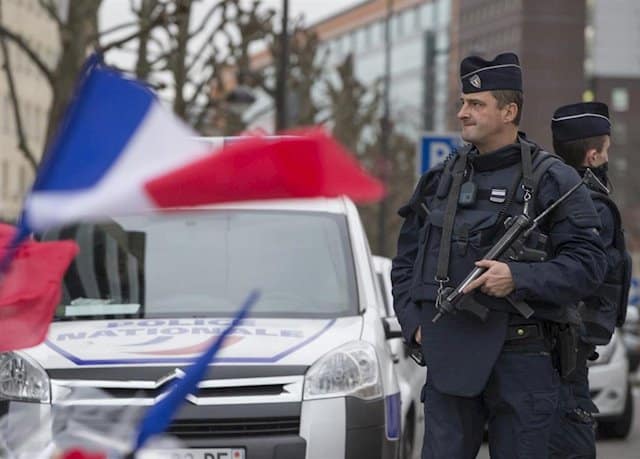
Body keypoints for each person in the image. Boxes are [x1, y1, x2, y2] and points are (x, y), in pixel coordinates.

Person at [391, 52, 608, 458]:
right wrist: (414, 324)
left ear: (509, 111)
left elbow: (590, 264)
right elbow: (405, 262)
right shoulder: (439, 180)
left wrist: (519, 277)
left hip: (524, 359)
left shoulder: (553, 180)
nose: (462, 113)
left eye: (476, 104)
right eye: (462, 103)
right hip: (450, 355)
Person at [548, 102, 632, 458]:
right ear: (594, 155)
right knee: (573, 441)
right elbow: (584, 274)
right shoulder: (590, 206)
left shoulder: (549, 192)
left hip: (558, 345)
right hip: (567, 347)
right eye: (608, 150)